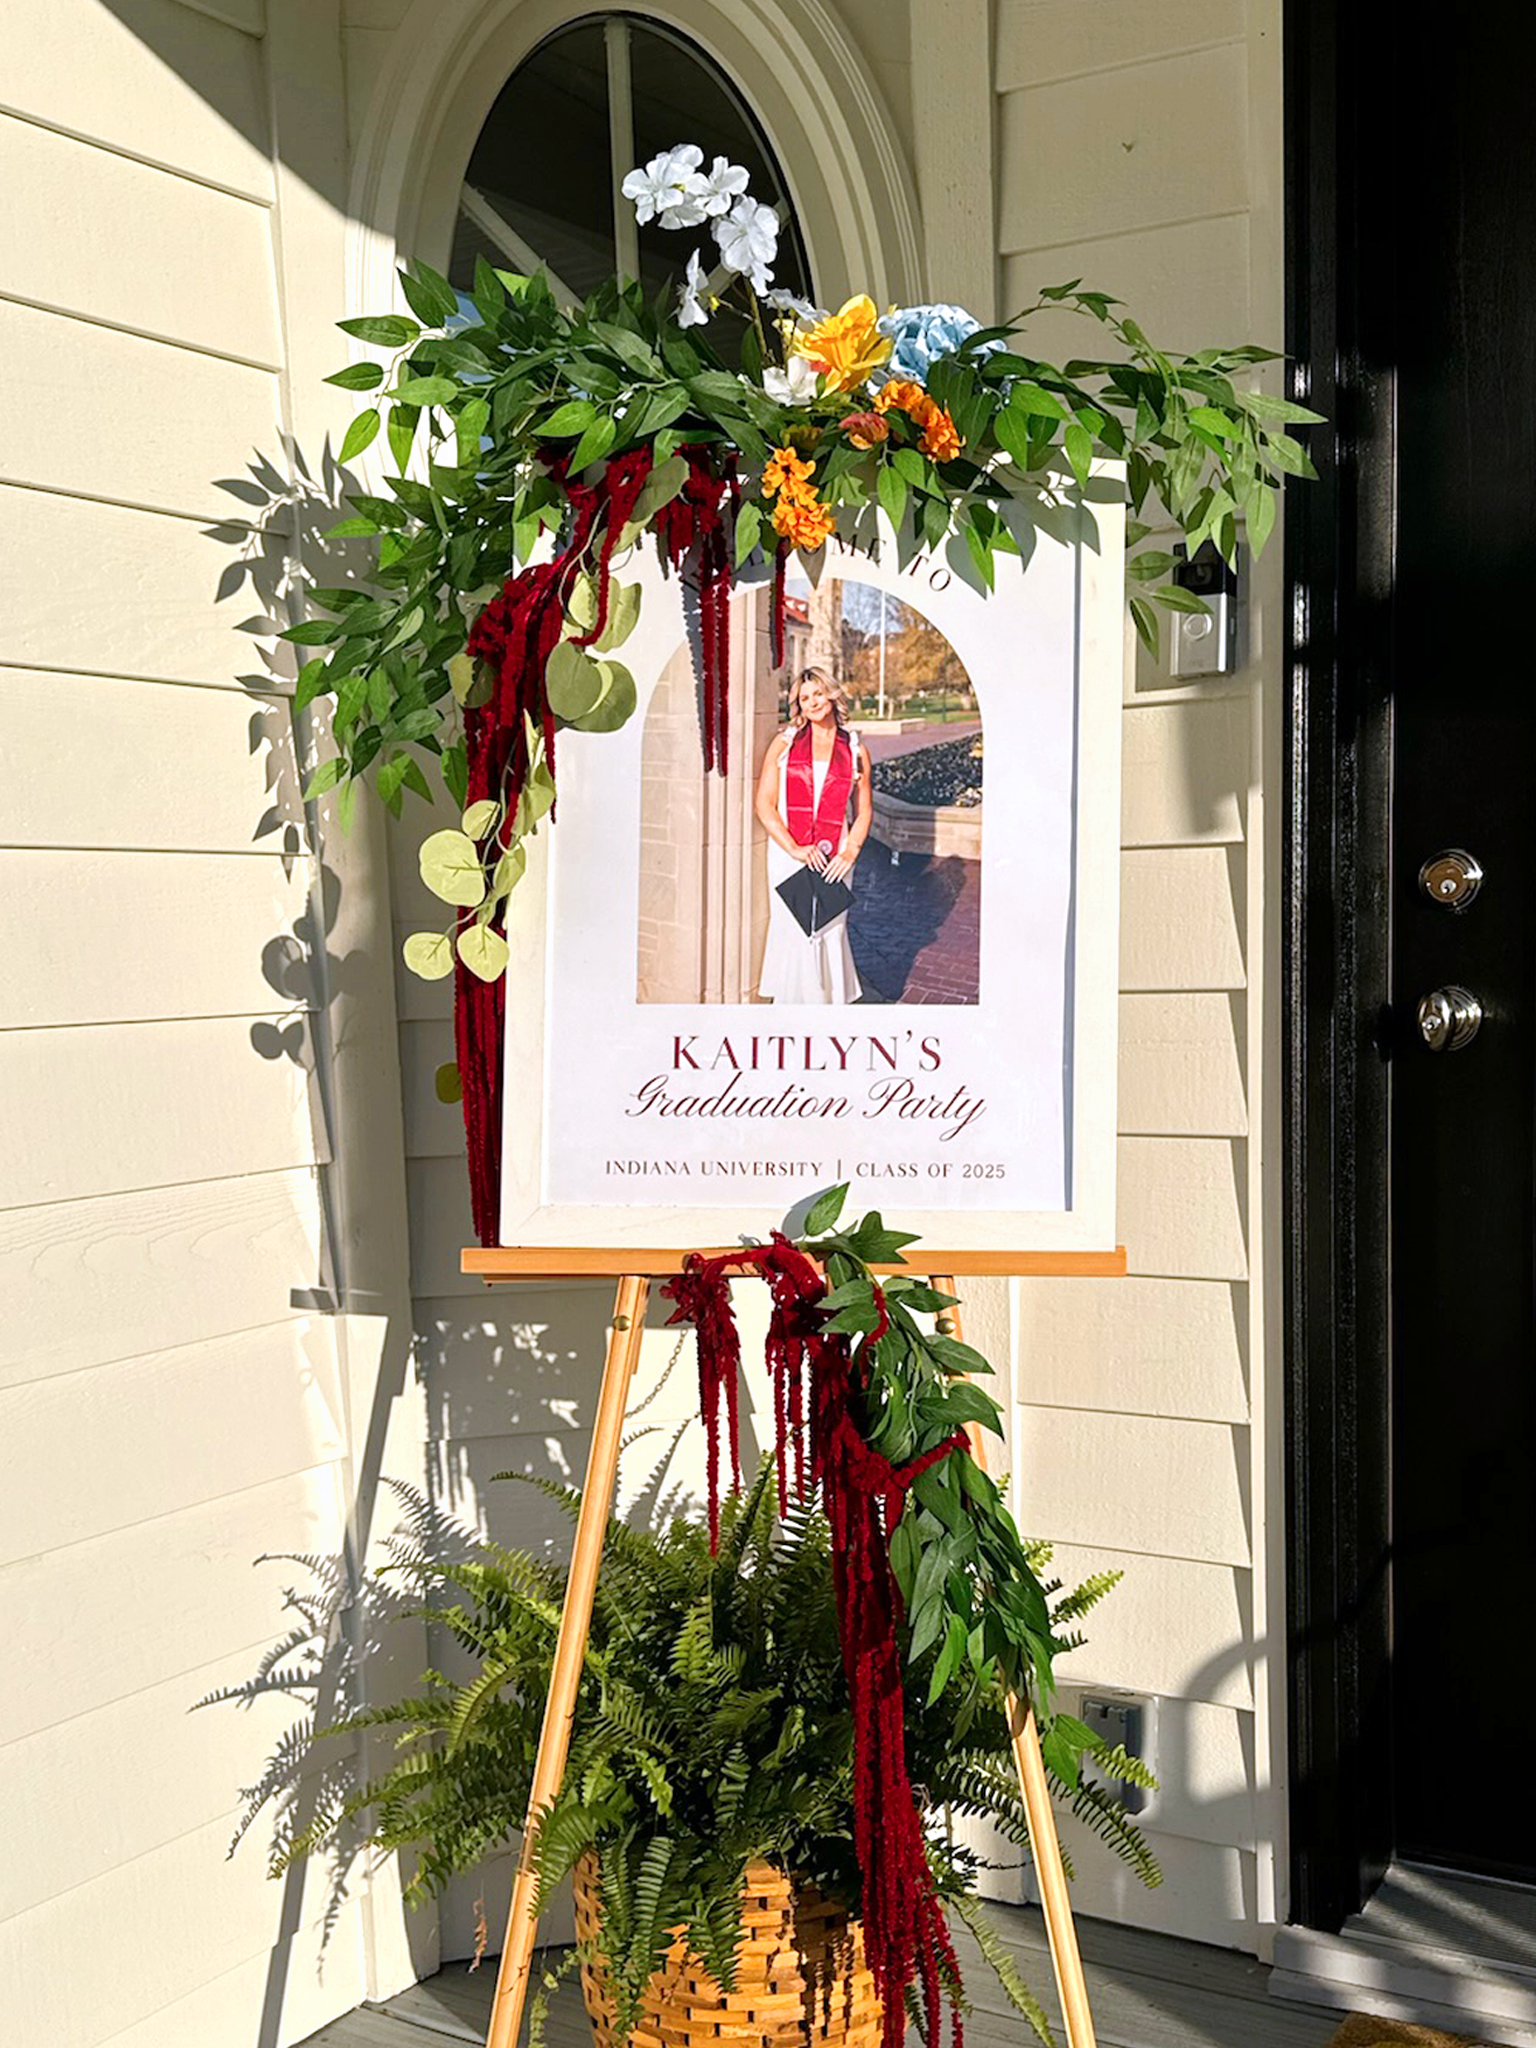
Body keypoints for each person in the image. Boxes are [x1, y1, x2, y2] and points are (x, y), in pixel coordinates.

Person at [755, 665, 873, 1003]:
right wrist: (794, 848)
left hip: (835, 856)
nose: (812, 702)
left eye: (818, 693)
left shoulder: (855, 750)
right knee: (794, 931)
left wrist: (850, 852)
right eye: (804, 697)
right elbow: (764, 804)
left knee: (829, 930)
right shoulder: (785, 744)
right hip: (790, 854)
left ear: (832, 695)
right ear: (798, 706)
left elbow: (864, 811)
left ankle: (828, 1010)